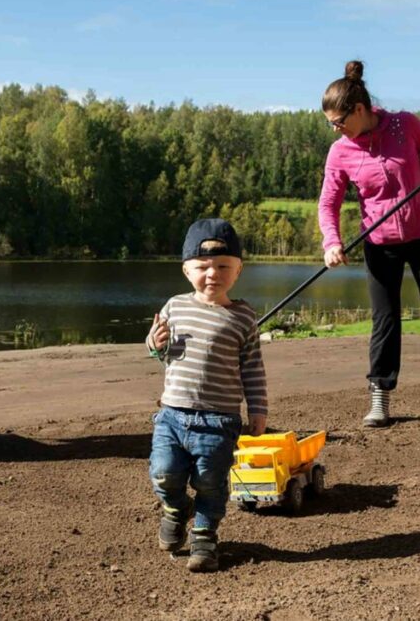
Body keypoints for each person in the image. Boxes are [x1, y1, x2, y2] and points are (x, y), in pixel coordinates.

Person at [318, 60, 420, 428]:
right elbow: (328, 203)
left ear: (359, 110)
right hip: (380, 244)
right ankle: (380, 397)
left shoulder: (404, 125)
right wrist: (332, 242)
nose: (336, 129)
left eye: (339, 122)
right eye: (332, 124)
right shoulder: (340, 152)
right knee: (385, 319)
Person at [144, 218, 267, 573]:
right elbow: (160, 351)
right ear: (186, 270)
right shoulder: (174, 306)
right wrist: (155, 343)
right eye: (202, 267)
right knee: (164, 473)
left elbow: (253, 368)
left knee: (211, 483)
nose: (212, 274)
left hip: (219, 420)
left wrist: (258, 409)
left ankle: (203, 536)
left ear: (238, 270)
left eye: (223, 266)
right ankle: (175, 508)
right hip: (172, 415)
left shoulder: (243, 316)